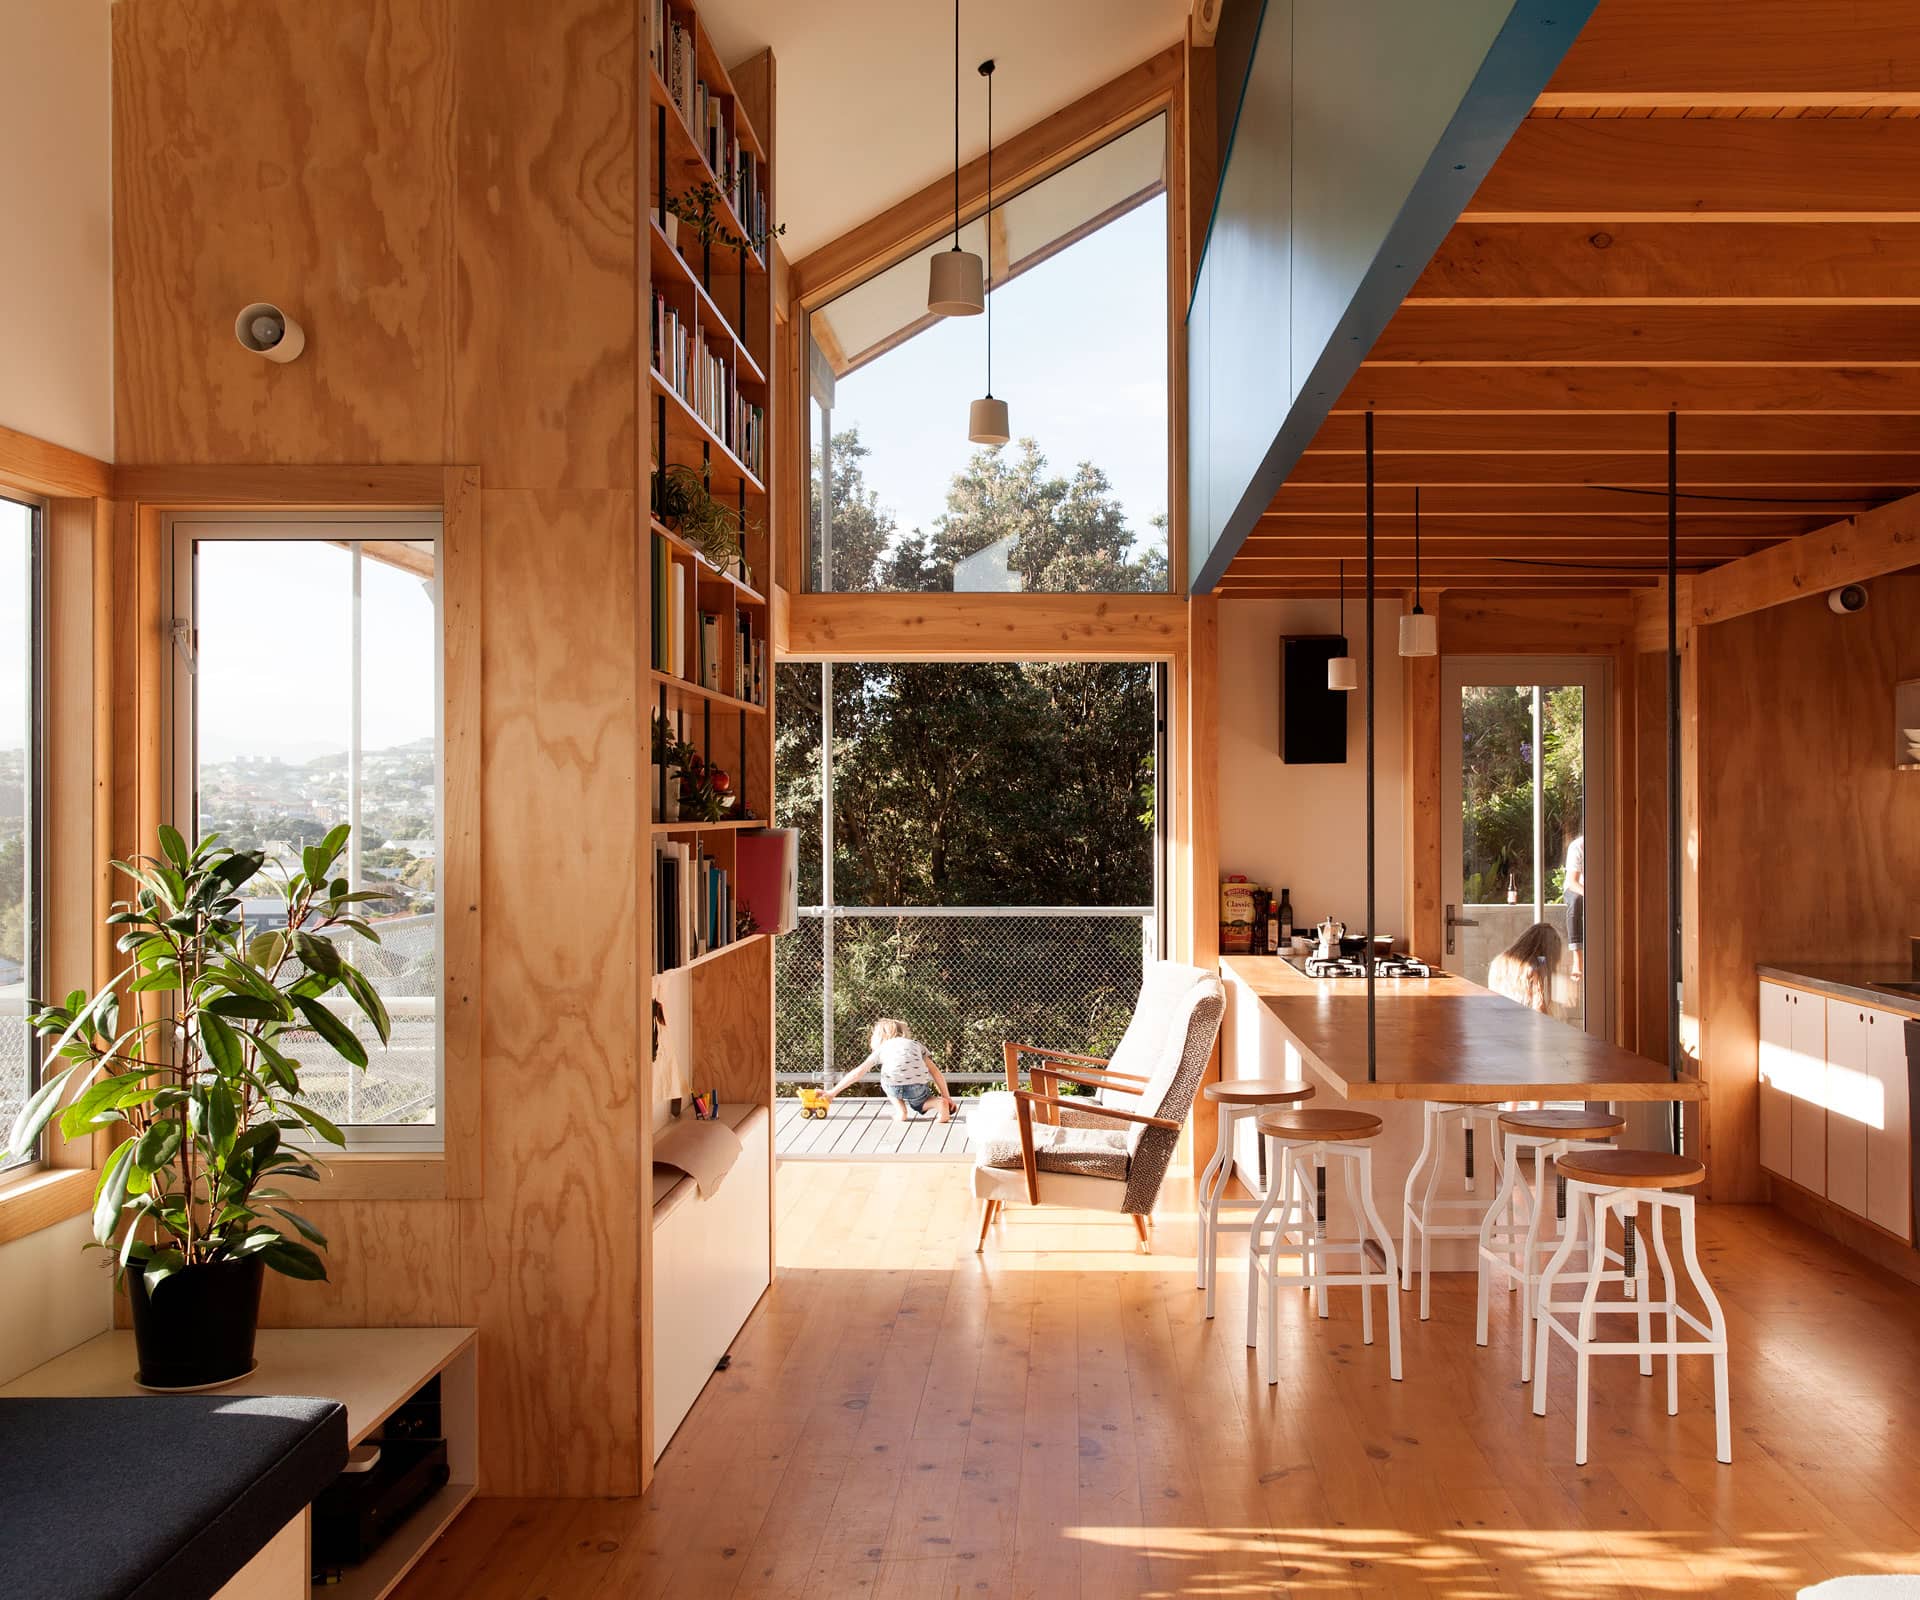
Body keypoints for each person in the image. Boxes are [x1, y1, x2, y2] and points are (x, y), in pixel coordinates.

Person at [824, 1018, 959, 1123]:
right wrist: (946, 1097)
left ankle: (901, 1112)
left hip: (894, 1086)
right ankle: (938, 1103)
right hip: (917, 1086)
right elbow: (935, 1072)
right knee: (920, 1102)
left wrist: (832, 1092)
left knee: (885, 1078)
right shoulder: (915, 1045)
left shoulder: (883, 1048)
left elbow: (858, 1072)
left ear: (879, 1036)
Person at [1487, 922, 1563, 1015]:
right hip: (1522, 1025)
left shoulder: (1499, 961)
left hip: (1497, 1021)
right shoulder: (1536, 969)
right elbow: (1539, 1007)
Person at [1563, 834, 1586, 982]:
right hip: (1576, 888)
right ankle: (1577, 959)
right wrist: (1592, 895)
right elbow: (1572, 882)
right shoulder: (1578, 846)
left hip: (1600, 891)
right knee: (1576, 901)